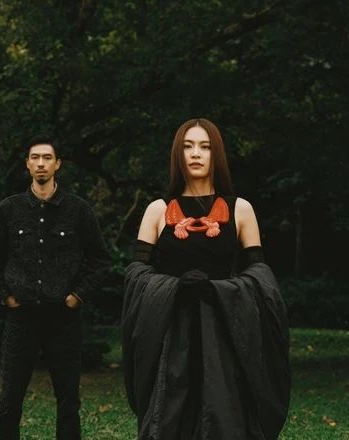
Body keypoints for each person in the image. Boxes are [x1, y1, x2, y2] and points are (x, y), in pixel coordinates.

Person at [122, 118, 291, 439]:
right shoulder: (158, 210)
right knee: (170, 418)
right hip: (172, 337)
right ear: (178, 154)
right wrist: (173, 287)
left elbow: (260, 276)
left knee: (225, 415)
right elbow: (136, 274)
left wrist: (220, 290)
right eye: (187, 146)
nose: (196, 154)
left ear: (217, 155)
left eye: (205, 146)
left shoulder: (240, 210)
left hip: (224, 333)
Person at [0, 135, 111, 440]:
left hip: (63, 318)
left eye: (47, 158)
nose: (41, 163)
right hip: (21, 318)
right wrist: (4, 296)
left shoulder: (77, 209)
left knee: (68, 398)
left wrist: (78, 295)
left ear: (57, 164)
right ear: (27, 164)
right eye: (35, 157)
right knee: (9, 397)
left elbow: (100, 259)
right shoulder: (9, 209)